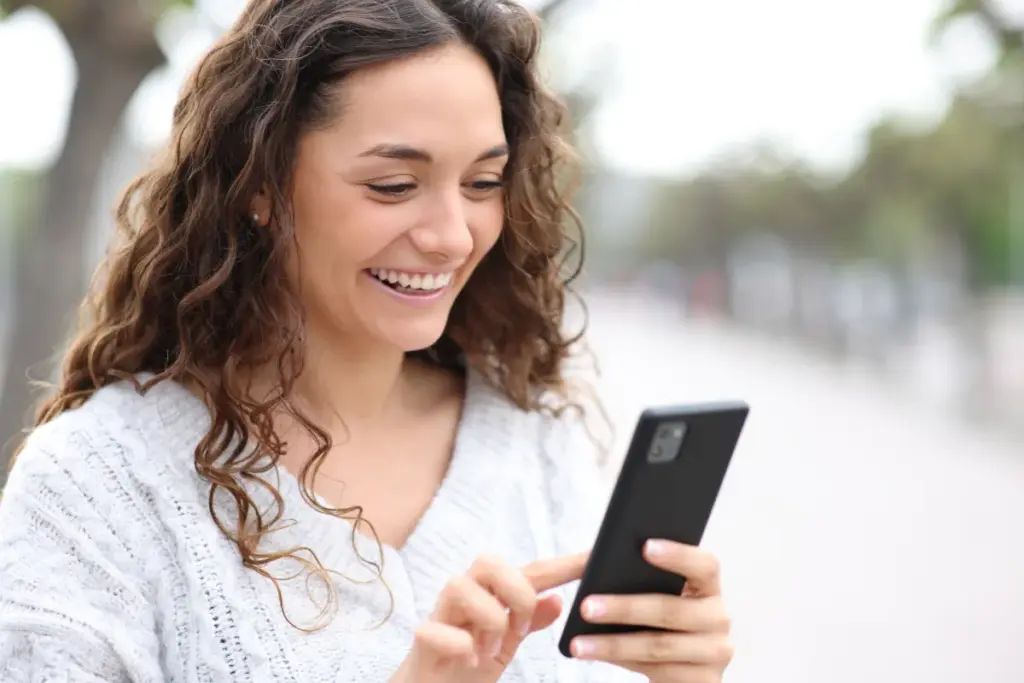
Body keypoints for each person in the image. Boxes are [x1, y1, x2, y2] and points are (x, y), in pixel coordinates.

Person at [0, 0, 734, 681]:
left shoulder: (536, 442)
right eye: (394, 186)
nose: (452, 236)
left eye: (483, 183)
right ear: (258, 184)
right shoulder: (97, 485)